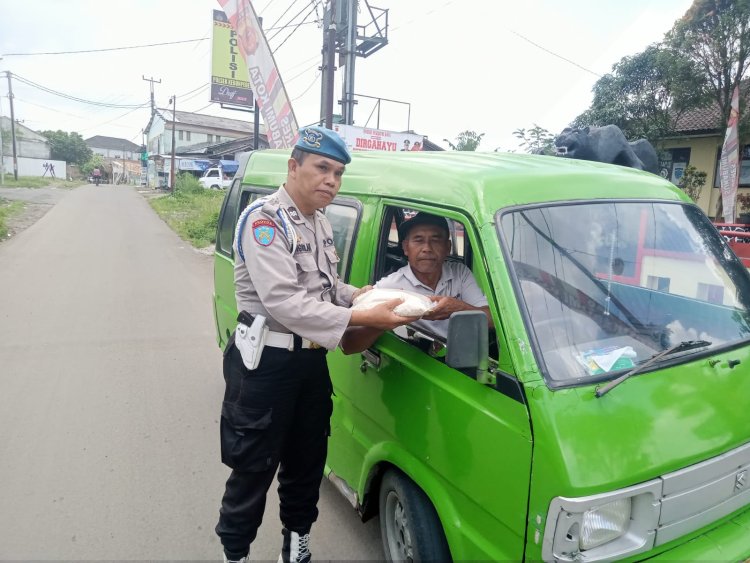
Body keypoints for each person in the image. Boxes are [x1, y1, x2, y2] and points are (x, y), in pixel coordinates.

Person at [216, 126, 415, 563]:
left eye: (339, 173)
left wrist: (354, 294)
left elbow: (322, 287)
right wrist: (362, 316)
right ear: (294, 167)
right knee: (253, 469)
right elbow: (284, 302)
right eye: (323, 168)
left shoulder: (319, 221)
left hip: (308, 364)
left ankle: (295, 544)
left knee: (307, 462)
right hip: (264, 364)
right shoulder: (264, 221)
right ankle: (236, 554)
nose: (331, 180)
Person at [341, 212, 493, 354]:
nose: (427, 248)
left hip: (463, 357)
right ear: (406, 248)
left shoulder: (460, 273)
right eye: (418, 240)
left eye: (435, 240)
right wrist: (383, 322)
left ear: (448, 247)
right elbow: (348, 345)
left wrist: (458, 308)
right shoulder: (390, 286)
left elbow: (492, 320)